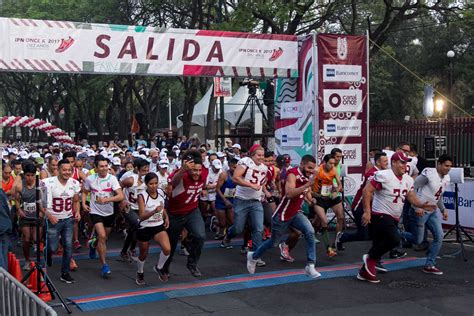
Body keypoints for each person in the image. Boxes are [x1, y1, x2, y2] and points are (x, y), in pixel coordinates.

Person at [357, 152, 436, 283]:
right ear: (393, 162)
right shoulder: (384, 175)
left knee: (378, 243)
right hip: (380, 214)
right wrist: (367, 211)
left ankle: (364, 272)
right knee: (394, 239)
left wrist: (421, 204)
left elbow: (411, 197)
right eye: (402, 162)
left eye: (406, 163)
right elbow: (367, 190)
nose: (405, 165)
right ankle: (370, 258)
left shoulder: (408, 179)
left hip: (394, 216)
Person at [247, 155, 321, 278]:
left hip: (296, 213)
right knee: (273, 243)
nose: (310, 171)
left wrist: (310, 199)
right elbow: (289, 194)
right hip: (282, 215)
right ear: (301, 164)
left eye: (312, 169)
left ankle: (310, 265)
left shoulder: (307, 176)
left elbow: (305, 191)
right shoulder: (292, 174)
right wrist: (308, 184)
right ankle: (253, 256)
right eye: (308, 168)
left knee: (310, 232)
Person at [401, 154, 452, 275]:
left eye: (450, 166)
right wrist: (416, 206)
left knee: (439, 237)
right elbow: (411, 189)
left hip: (432, 211)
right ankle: (395, 233)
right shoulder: (429, 173)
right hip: (420, 211)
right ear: (439, 164)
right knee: (417, 240)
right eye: (446, 165)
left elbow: (438, 195)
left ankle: (430, 264)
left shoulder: (446, 178)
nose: (448, 168)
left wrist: (443, 209)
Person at [162, 150, 207, 277]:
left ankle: (192, 264)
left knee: (200, 236)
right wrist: (183, 170)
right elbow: (173, 182)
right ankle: (165, 267)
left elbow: (202, 182)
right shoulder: (181, 174)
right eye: (194, 170)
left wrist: (203, 190)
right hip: (175, 213)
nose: (197, 173)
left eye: (199, 170)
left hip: (192, 210)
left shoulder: (204, 172)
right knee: (171, 244)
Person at [221, 145, 268, 258]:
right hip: (242, 200)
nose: (261, 157)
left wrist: (264, 192)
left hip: (256, 201)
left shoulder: (264, 167)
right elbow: (236, 178)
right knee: (238, 228)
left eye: (262, 155)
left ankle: (256, 256)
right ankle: (228, 235)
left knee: (258, 228)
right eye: (258, 155)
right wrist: (251, 185)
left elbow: (261, 182)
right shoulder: (245, 162)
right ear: (252, 155)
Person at [336, 152, 388, 251]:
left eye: (387, 161)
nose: (387, 163)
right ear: (378, 162)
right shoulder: (373, 174)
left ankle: (379, 256)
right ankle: (342, 237)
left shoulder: (382, 172)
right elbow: (367, 193)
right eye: (385, 161)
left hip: (372, 207)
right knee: (363, 235)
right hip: (360, 206)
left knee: (379, 231)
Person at [82, 155, 124, 278]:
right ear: (95, 167)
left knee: (103, 239)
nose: (104, 168)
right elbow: (85, 192)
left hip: (109, 212)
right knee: (102, 235)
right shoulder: (90, 179)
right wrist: (84, 204)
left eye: (106, 166)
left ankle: (93, 244)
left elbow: (120, 196)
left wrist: (107, 199)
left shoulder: (112, 179)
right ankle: (104, 265)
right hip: (95, 211)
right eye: (101, 166)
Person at [41, 159, 81, 284]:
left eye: (69, 170)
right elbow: (41, 205)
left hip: (68, 219)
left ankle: (65, 273)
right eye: (64, 169)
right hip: (53, 219)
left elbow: (75, 200)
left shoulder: (74, 183)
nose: (67, 172)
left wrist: (77, 212)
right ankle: (47, 251)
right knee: (53, 247)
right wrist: (49, 216)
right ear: (58, 169)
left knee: (68, 246)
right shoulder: (47, 183)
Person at [135, 173, 171, 285]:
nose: (154, 186)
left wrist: (166, 216)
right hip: (145, 226)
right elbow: (141, 216)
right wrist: (153, 212)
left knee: (167, 249)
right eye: (151, 184)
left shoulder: (160, 192)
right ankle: (140, 272)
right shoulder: (142, 196)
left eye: (156, 183)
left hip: (158, 225)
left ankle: (159, 267)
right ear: (146, 184)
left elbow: (162, 207)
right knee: (143, 253)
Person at [311, 154, 343, 257]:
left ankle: (335, 244)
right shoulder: (317, 170)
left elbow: (339, 185)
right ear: (324, 162)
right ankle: (326, 247)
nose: (332, 165)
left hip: (330, 196)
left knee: (341, 217)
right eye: (330, 163)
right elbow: (308, 185)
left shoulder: (334, 170)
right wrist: (312, 196)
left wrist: (336, 191)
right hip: (319, 198)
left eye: (334, 164)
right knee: (322, 221)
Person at [119, 158, 149, 261]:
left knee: (133, 230)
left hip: (140, 208)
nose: (145, 173)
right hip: (129, 207)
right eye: (143, 170)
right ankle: (130, 249)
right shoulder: (131, 179)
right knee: (138, 226)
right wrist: (122, 200)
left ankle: (125, 251)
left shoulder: (147, 180)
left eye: (147, 170)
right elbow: (119, 186)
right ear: (137, 169)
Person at [13, 162, 40, 270]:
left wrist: (42, 211)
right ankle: (27, 260)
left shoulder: (39, 184)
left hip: (37, 214)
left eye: (32, 175)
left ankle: (37, 258)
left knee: (35, 238)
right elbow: (17, 200)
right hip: (25, 216)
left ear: (35, 175)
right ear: (24, 175)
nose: (30, 178)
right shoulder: (20, 186)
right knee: (27, 238)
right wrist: (19, 209)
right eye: (28, 175)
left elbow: (43, 199)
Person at [214, 158, 238, 239]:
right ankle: (215, 222)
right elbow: (217, 189)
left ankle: (226, 238)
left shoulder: (238, 175)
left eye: (237, 168)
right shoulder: (224, 175)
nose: (235, 169)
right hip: (221, 200)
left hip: (231, 199)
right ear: (229, 166)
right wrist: (225, 200)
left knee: (231, 222)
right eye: (234, 167)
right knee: (222, 223)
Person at [0, 188, 12, 270]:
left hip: (2, 227)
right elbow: (9, 209)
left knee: (1, 260)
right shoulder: (1, 192)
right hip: (6, 226)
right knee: (3, 257)